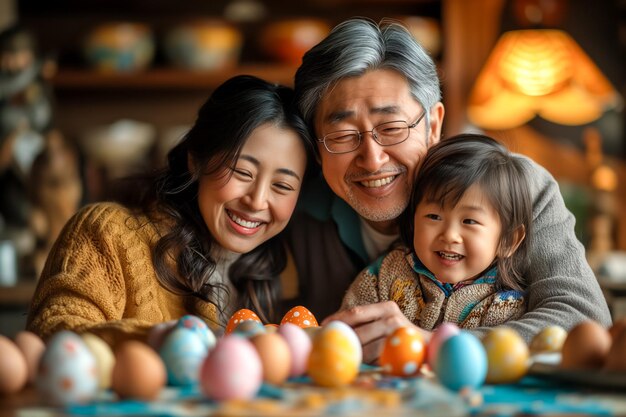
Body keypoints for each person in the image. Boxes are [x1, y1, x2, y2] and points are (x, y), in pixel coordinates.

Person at [284, 17, 612, 363]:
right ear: (317, 148)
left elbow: (584, 319)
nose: (372, 159)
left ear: (433, 125)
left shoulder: (517, 188)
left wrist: (433, 345)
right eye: (343, 136)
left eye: (392, 127)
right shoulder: (287, 203)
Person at [26, 75, 315, 347]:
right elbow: (54, 334)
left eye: (282, 185)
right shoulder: (107, 232)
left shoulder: (285, 266)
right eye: (242, 171)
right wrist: (177, 342)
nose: (257, 200)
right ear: (195, 161)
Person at [342, 134, 532, 337]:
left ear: (508, 240)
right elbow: (345, 333)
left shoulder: (507, 306)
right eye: (434, 216)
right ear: (413, 219)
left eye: (469, 221)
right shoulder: (385, 275)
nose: (449, 235)